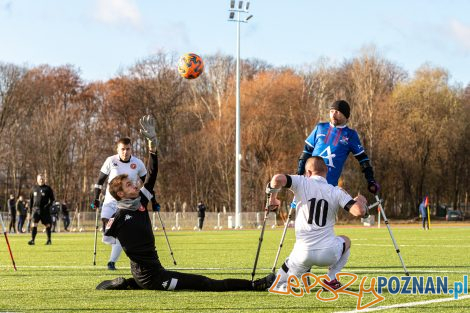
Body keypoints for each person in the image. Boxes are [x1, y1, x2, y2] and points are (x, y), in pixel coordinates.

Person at [96, 115, 275, 291]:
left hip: (151, 273)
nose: (135, 184)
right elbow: (107, 230)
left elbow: (151, 176)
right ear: (120, 194)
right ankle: (256, 285)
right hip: (153, 278)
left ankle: (129, 283)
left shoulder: (140, 200)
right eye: (129, 185)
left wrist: (153, 147)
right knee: (206, 283)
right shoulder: (118, 216)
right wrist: (106, 220)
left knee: (196, 282)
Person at [268, 156, 367, 291]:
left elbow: (277, 179)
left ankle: (286, 284)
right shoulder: (336, 191)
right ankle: (331, 279)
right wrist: (361, 203)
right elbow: (359, 211)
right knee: (346, 241)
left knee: (278, 285)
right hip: (328, 254)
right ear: (326, 171)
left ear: (308, 172)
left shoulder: (301, 181)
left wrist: (273, 198)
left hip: (302, 254)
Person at [297, 100, 380, 193]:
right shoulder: (320, 127)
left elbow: (363, 159)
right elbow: (306, 152)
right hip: (308, 182)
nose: (333, 114)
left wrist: (370, 179)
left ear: (345, 116)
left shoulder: (350, 135)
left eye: (337, 112)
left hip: (329, 187)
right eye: (332, 111)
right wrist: (299, 174)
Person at [92, 137, 147, 270]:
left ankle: (111, 262)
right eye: (122, 149)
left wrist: (152, 201)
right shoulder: (111, 161)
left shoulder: (138, 163)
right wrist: (96, 198)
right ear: (118, 149)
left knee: (119, 235)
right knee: (108, 230)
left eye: (128, 149)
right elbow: (99, 182)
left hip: (127, 205)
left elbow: (148, 184)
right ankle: (111, 236)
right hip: (110, 203)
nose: (125, 152)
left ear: (131, 149)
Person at [28, 174, 55, 245]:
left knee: (47, 225)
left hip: (45, 210)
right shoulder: (33, 188)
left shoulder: (48, 188)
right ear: (37, 180)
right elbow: (31, 201)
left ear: (44, 179)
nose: (41, 180)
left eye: (42, 179)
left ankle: (49, 240)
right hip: (35, 210)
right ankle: (32, 240)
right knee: (34, 224)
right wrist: (29, 212)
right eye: (40, 179)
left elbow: (52, 200)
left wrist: (48, 206)